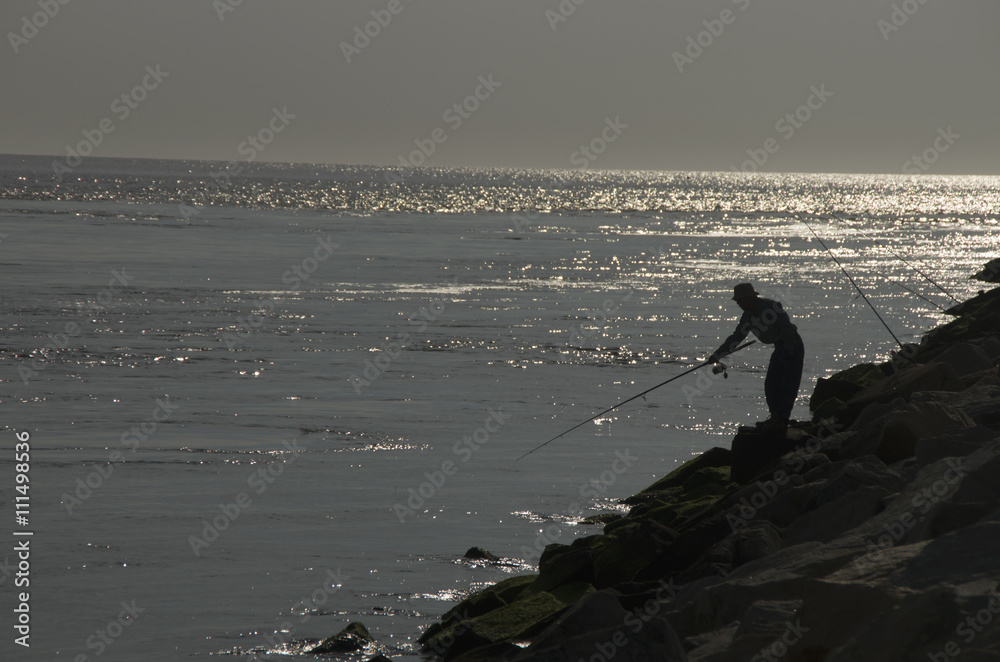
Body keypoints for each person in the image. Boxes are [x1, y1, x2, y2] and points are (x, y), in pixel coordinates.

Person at [708, 283, 804, 433]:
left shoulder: (770, 307)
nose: (738, 304)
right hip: (779, 348)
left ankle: (782, 420)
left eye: (739, 300)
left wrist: (790, 352)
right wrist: (717, 355)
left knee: (787, 384)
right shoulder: (747, 317)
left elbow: (786, 329)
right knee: (771, 385)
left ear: (749, 298)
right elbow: (736, 338)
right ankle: (775, 418)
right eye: (737, 301)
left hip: (792, 345)